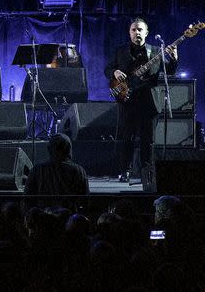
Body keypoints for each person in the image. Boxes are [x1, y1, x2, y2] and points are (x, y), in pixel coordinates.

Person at [104, 18, 178, 182]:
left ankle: (147, 172)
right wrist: (115, 72)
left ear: (146, 33)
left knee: (148, 139)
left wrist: (174, 58)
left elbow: (170, 71)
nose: (136, 32)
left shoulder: (155, 51)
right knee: (127, 138)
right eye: (133, 30)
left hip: (149, 101)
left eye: (139, 30)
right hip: (127, 100)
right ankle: (125, 171)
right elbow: (107, 69)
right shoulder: (120, 50)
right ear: (129, 32)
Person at [25, 133, 89, 196]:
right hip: (68, 206)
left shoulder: (37, 170)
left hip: (44, 206)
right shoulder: (78, 171)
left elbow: (27, 198)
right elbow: (85, 199)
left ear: (49, 149)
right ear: (69, 149)